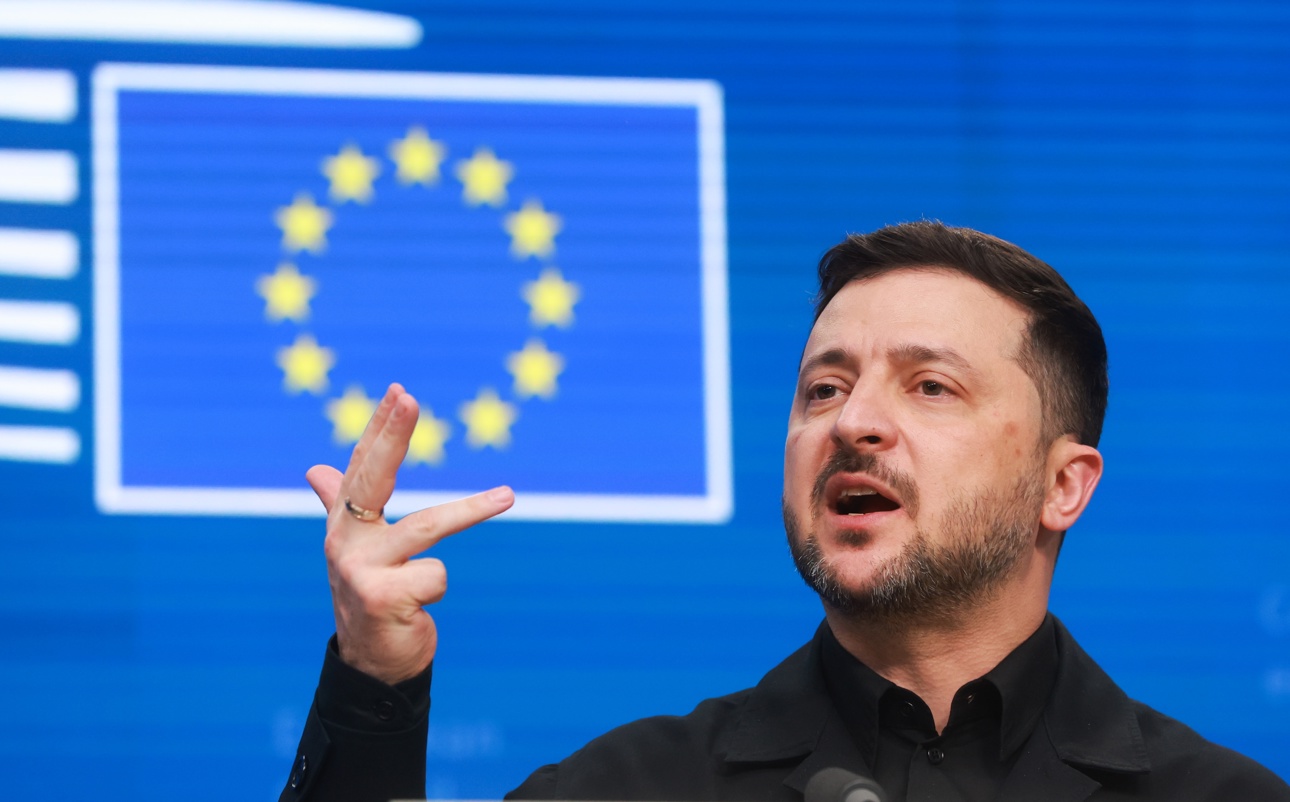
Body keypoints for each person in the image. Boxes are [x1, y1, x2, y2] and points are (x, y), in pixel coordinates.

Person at [279, 222, 1290, 802]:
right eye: (823, 388)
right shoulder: (633, 787)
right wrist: (375, 682)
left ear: (1064, 486)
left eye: (930, 387)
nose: (853, 423)